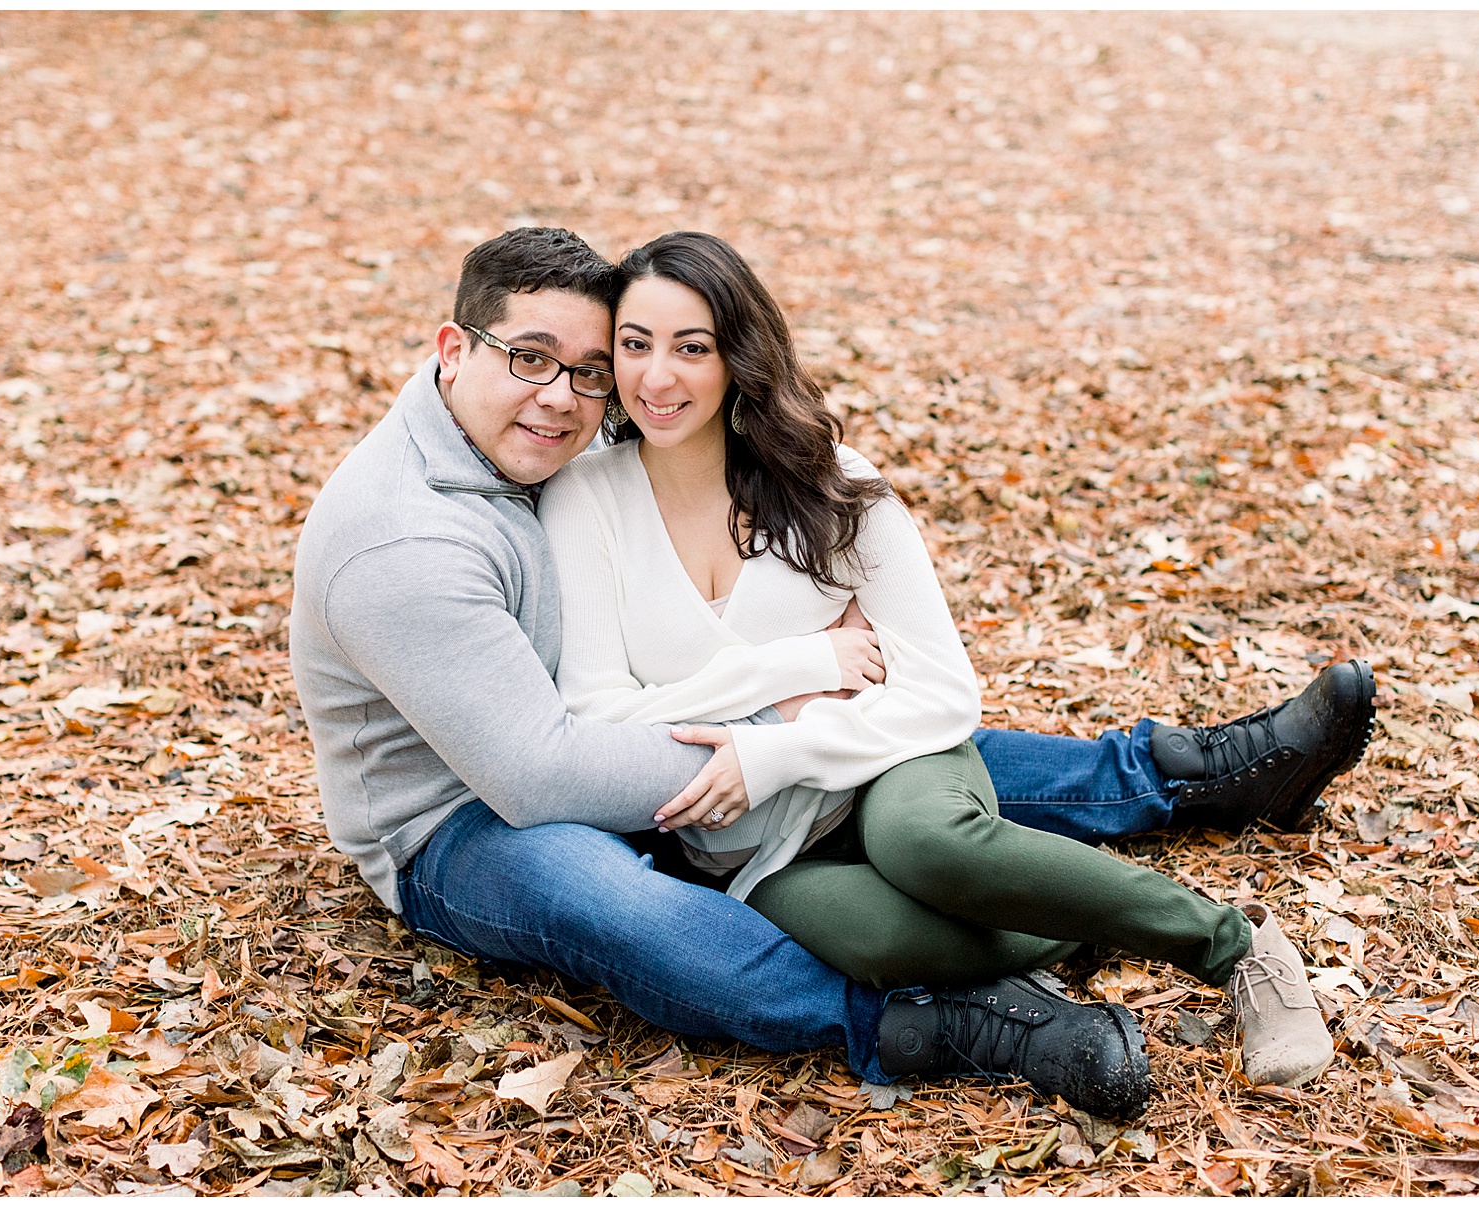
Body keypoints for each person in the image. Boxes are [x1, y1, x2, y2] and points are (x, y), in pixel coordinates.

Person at [290, 226, 1153, 1118]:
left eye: (590, 368)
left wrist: (809, 720)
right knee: (609, 895)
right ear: (452, 350)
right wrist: (781, 735)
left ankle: (1167, 774)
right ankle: (920, 1021)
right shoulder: (399, 542)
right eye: (529, 359)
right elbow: (540, 776)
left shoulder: (534, 438)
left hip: (613, 736)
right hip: (461, 821)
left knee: (902, 733)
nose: (561, 398)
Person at [536, 231, 1378, 1092]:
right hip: (762, 849)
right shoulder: (586, 499)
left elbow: (943, 691)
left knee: (926, 841)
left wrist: (774, 749)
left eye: (692, 347)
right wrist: (791, 667)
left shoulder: (824, 479)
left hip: (891, 759)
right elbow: (595, 717)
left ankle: (1233, 944)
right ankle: (1070, 909)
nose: (657, 377)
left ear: (738, 356)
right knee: (884, 942)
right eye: (635, 346)